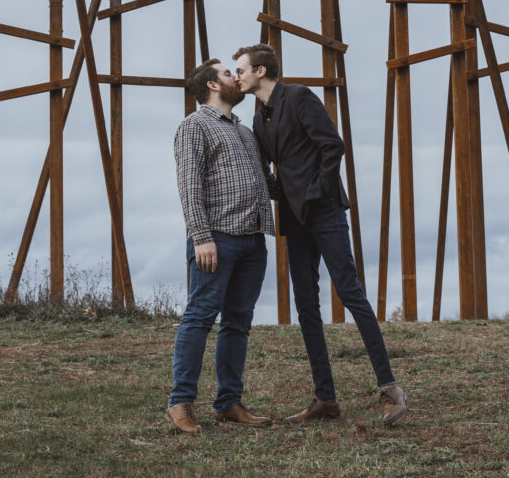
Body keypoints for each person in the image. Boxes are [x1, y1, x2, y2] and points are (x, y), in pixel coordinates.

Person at [234, 43, 407, 427]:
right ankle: (325, 399)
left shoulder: (298, 97)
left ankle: (390, 389)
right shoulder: (258, 118)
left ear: (261, 71)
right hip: (294, 220)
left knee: (349, 292)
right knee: (306, 304)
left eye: (242, 70)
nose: (239, 76)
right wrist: (277, 191)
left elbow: (333, 146)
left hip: (324, 209)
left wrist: (315, 193)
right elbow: (275, 169)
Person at [166, 58, 275, 434]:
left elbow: (265, 180)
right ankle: (180, 404)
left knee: (238, 323)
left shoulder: (246, 132)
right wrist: (201, 236)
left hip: (253, 240)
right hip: (217, 238)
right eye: (228, 73)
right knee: (199, 317)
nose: (236, 77)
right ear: (212, 85)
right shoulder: (194, 125)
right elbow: (189, 184)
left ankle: (228, 403)